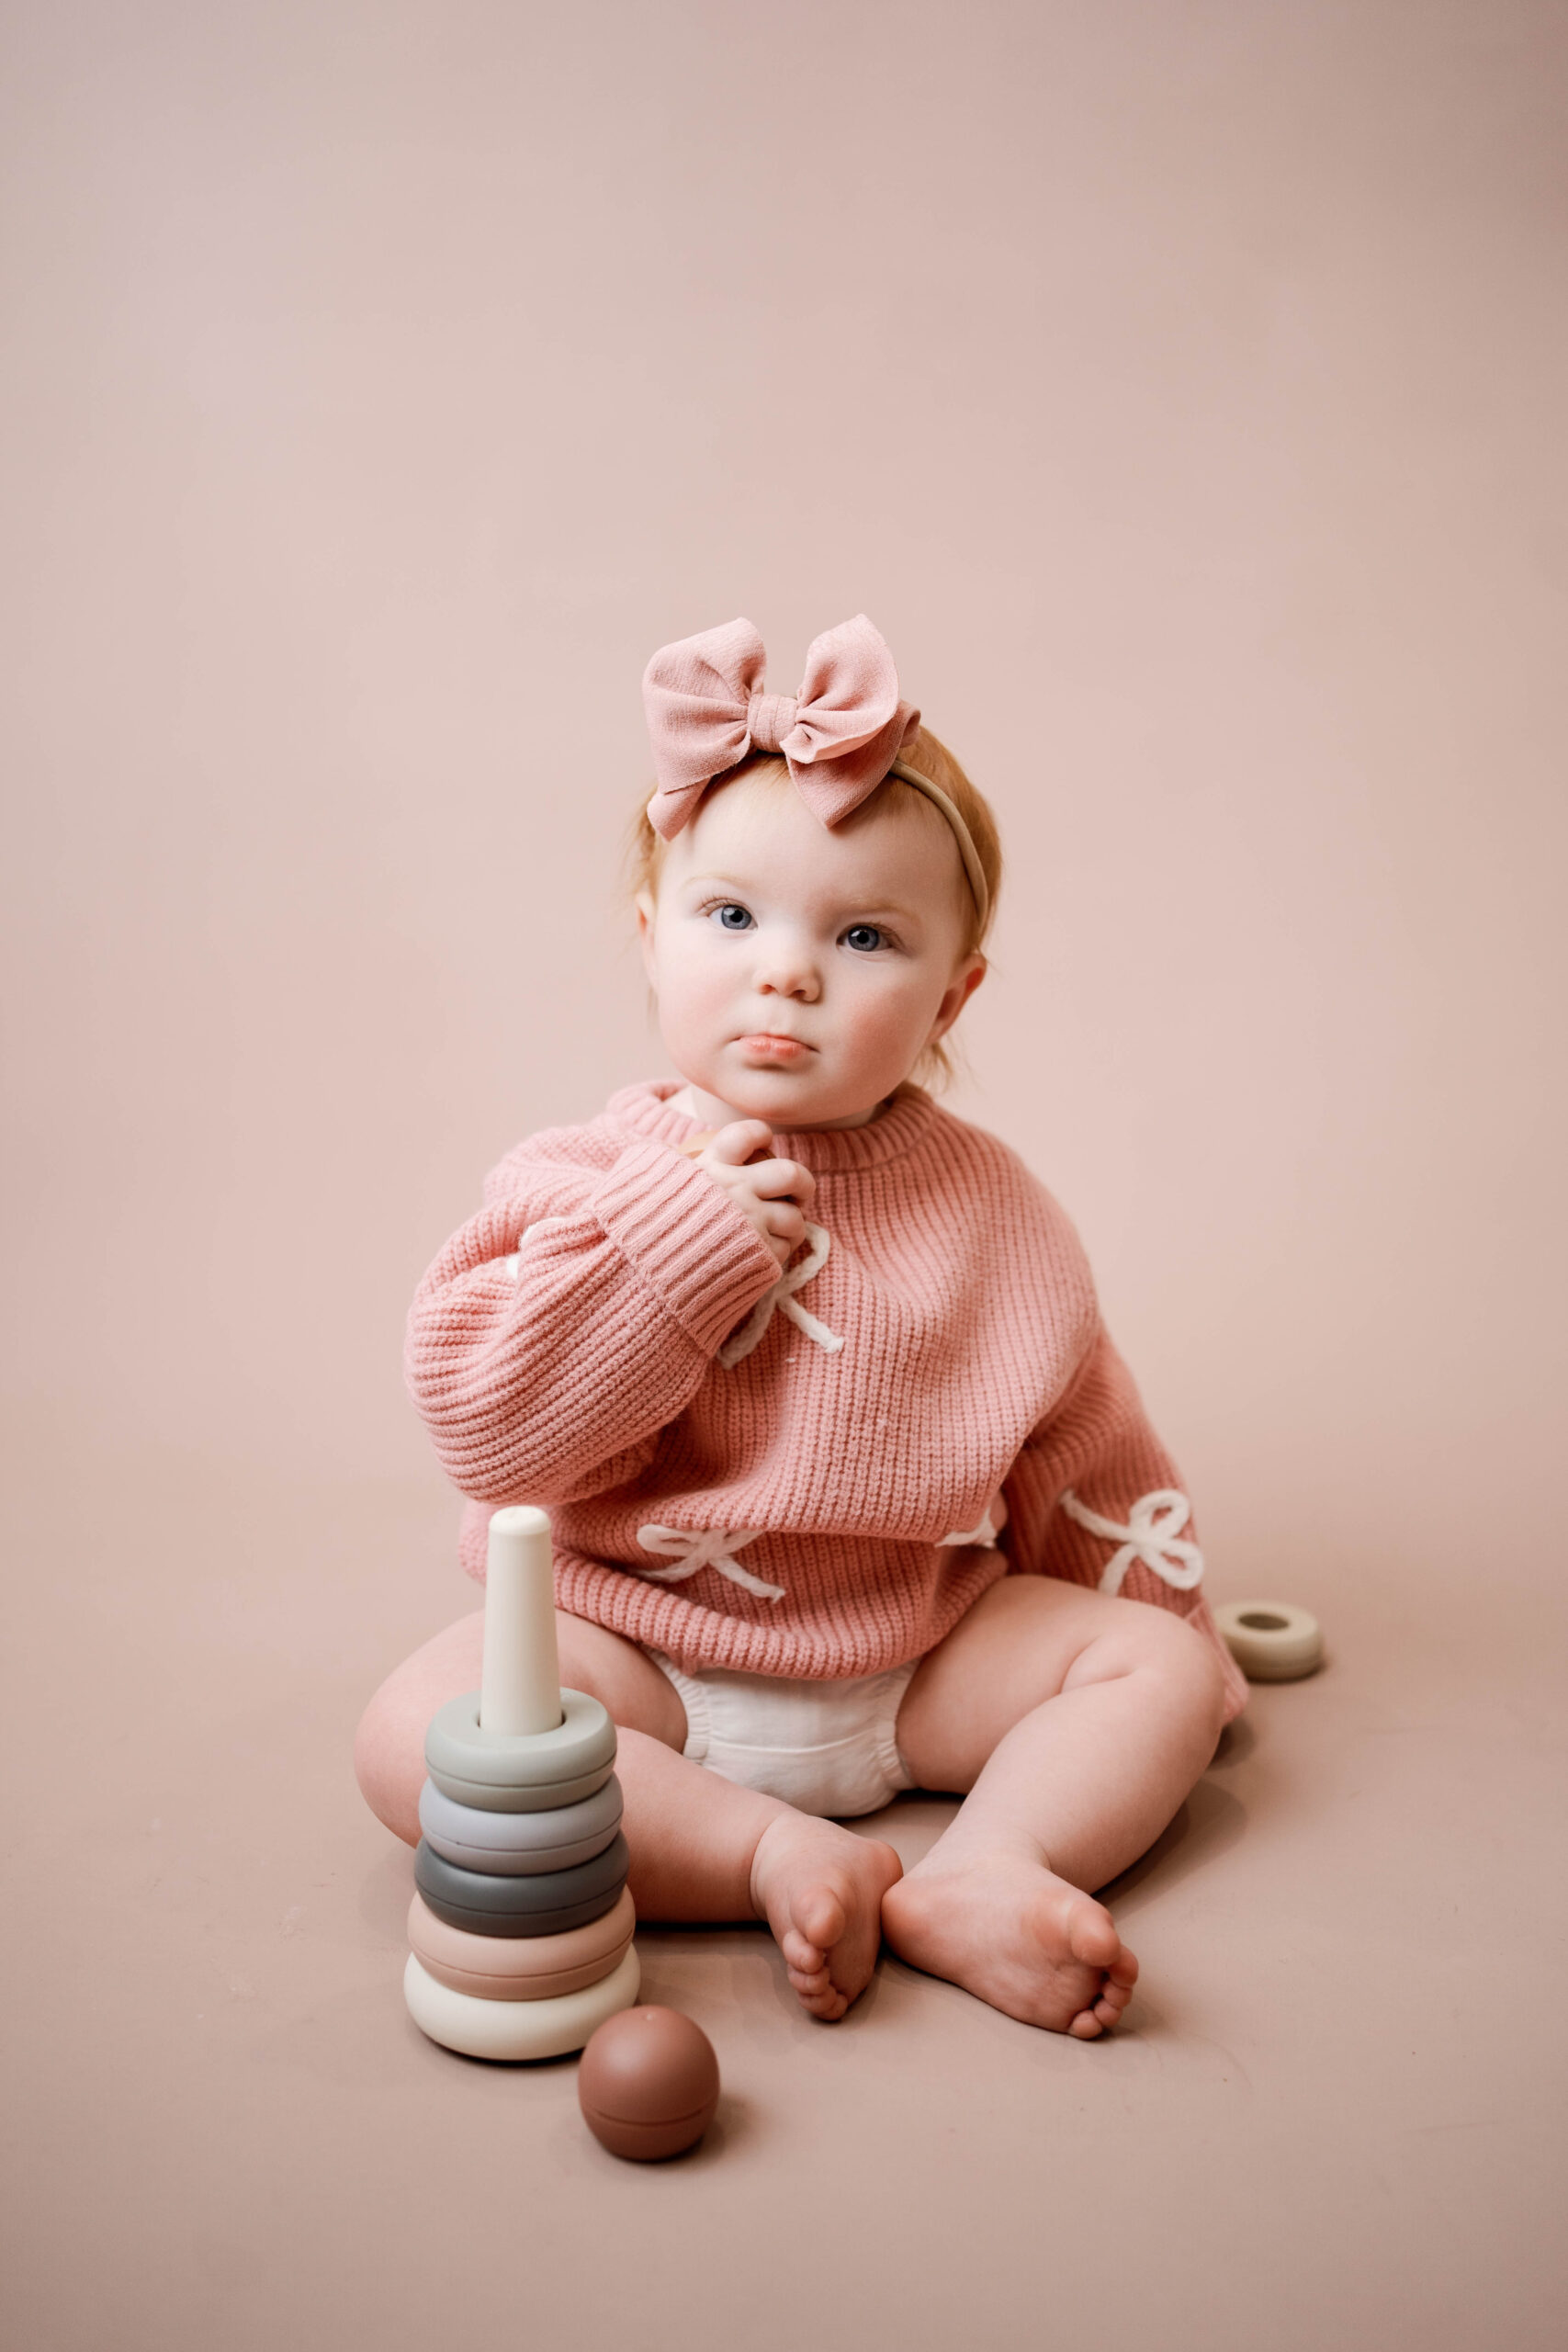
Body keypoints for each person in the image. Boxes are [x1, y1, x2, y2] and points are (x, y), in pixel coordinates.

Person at [355, 613, 1247, 2037]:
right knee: (420, 1728)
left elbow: (1083, 1444)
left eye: (865, 935)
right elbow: (490, 1429)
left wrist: (1172, 1633)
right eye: (731, 917)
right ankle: (769, 1851)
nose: (788, 971)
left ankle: (986, 1868)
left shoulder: (996, 1213)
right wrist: (671, 1254)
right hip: (633, 1657)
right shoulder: (578, 1177)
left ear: (954, 994)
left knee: (1161, 1676)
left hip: (913, 1652)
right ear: (651, 942)